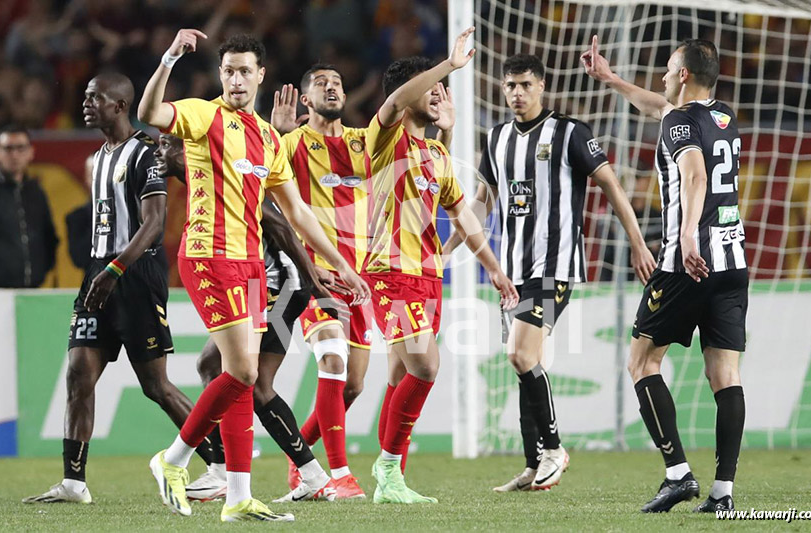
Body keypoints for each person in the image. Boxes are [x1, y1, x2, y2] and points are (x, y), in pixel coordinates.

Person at [137, 30, 369, 522]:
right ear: (220, 76)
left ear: (261, 75)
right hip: (207, 257)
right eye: (228, 71)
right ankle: (173, 459)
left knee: (239, 377)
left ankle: (238, 496)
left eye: (245, 70)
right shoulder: (203, 114)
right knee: (242, 371)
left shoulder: (267, 138)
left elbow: (299, 213)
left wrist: (341, 264)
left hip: (252, 266)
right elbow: (149, 113)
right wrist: (169, 59)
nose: (236, 79)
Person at [445, 53, 655, 492]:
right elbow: (481, 202)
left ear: (541, 86)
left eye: (524, 85)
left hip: (554, 265)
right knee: (526, 364)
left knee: (520, 356)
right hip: (513, 269)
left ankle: (555, 449)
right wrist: (446, 249)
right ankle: (532, 464)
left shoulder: (570, 132)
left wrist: (638, 243)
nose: (517, 93)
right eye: (509, 86)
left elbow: (611, 186)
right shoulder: (497, 137)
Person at [22, 73, 210, 505]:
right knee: (78, 372)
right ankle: (73, 482)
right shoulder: (100, 156)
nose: (85, 104)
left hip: (135, 276)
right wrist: (101, 270)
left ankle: (217, 464)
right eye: (86, 97)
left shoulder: (145, 154)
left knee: (155, 386)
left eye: (95, 98)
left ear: (121, 105)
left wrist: (116, 270)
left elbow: (154, 224)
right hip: (99, 272)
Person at [268, 64, 454, 497]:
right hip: (314, 274)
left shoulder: (364, 142)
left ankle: (301, 460)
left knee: (352, 385)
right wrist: (275, 138)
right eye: (321, 83)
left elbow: (421, 170)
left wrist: (446, 133)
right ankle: (339, 476)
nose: (332, 87)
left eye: (337, 82)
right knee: (331, 360)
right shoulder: (293, 144)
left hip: (362, 277)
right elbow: (265, 190)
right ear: (305, 100)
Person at [583, 36, 747, 513]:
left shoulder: (680, 122)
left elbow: (695, 175)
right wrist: (612, 80)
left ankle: (677, 474)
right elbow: (661, 109)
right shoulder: (722, 116)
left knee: (641, 362)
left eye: (668, 70)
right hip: (733, 262)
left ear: (683, 76)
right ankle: (723, 494)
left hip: (685, 263)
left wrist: (689, 235)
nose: (661, 77)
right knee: (725, 374)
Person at [365, 28, 518, 504]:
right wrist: (448, 66)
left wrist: (492, 267)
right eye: (427, 89)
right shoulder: (384, 138)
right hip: (389, 271)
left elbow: (462, 214)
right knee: (426, 366)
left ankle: (393, 480)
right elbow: (394, 102)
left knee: (398, 378)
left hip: (428, 275)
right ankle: (388, 468)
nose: (437, 94)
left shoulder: (434, 154)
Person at [153, 133, 341, 503]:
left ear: (188, 150)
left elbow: (282, 226)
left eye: (165, 145)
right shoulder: (203, 183)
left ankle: (232, 473)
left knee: (248, 380)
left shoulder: (228, 178)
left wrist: (314, 282)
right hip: (263, 285)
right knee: (217, 367)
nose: (158, 153)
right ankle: (307, 476)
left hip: (279, 285)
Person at [0, 125, 59, 288]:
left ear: (31, 152)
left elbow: (49, 236)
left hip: (33, 288)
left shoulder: (36, 191)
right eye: (8, 148)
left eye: (20, 148)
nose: (14, 155)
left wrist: (42, 271)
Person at [65, 155, 94, 272]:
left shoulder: (137, 212)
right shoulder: (76, 218)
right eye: (93, 174)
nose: (100, 179)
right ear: (86, 179)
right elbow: (79, 259)